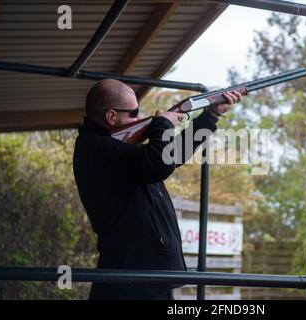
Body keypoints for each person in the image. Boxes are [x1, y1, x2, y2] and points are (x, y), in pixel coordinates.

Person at [73, 79, 242, 300]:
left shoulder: (113, 148)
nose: (141, 117)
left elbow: (170, 157)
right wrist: (162, 124)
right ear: (111, 116)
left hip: (144, 278)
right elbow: (159, 163)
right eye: (134, 113)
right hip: (130, 282)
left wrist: (210, 116)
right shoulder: (97, 149)